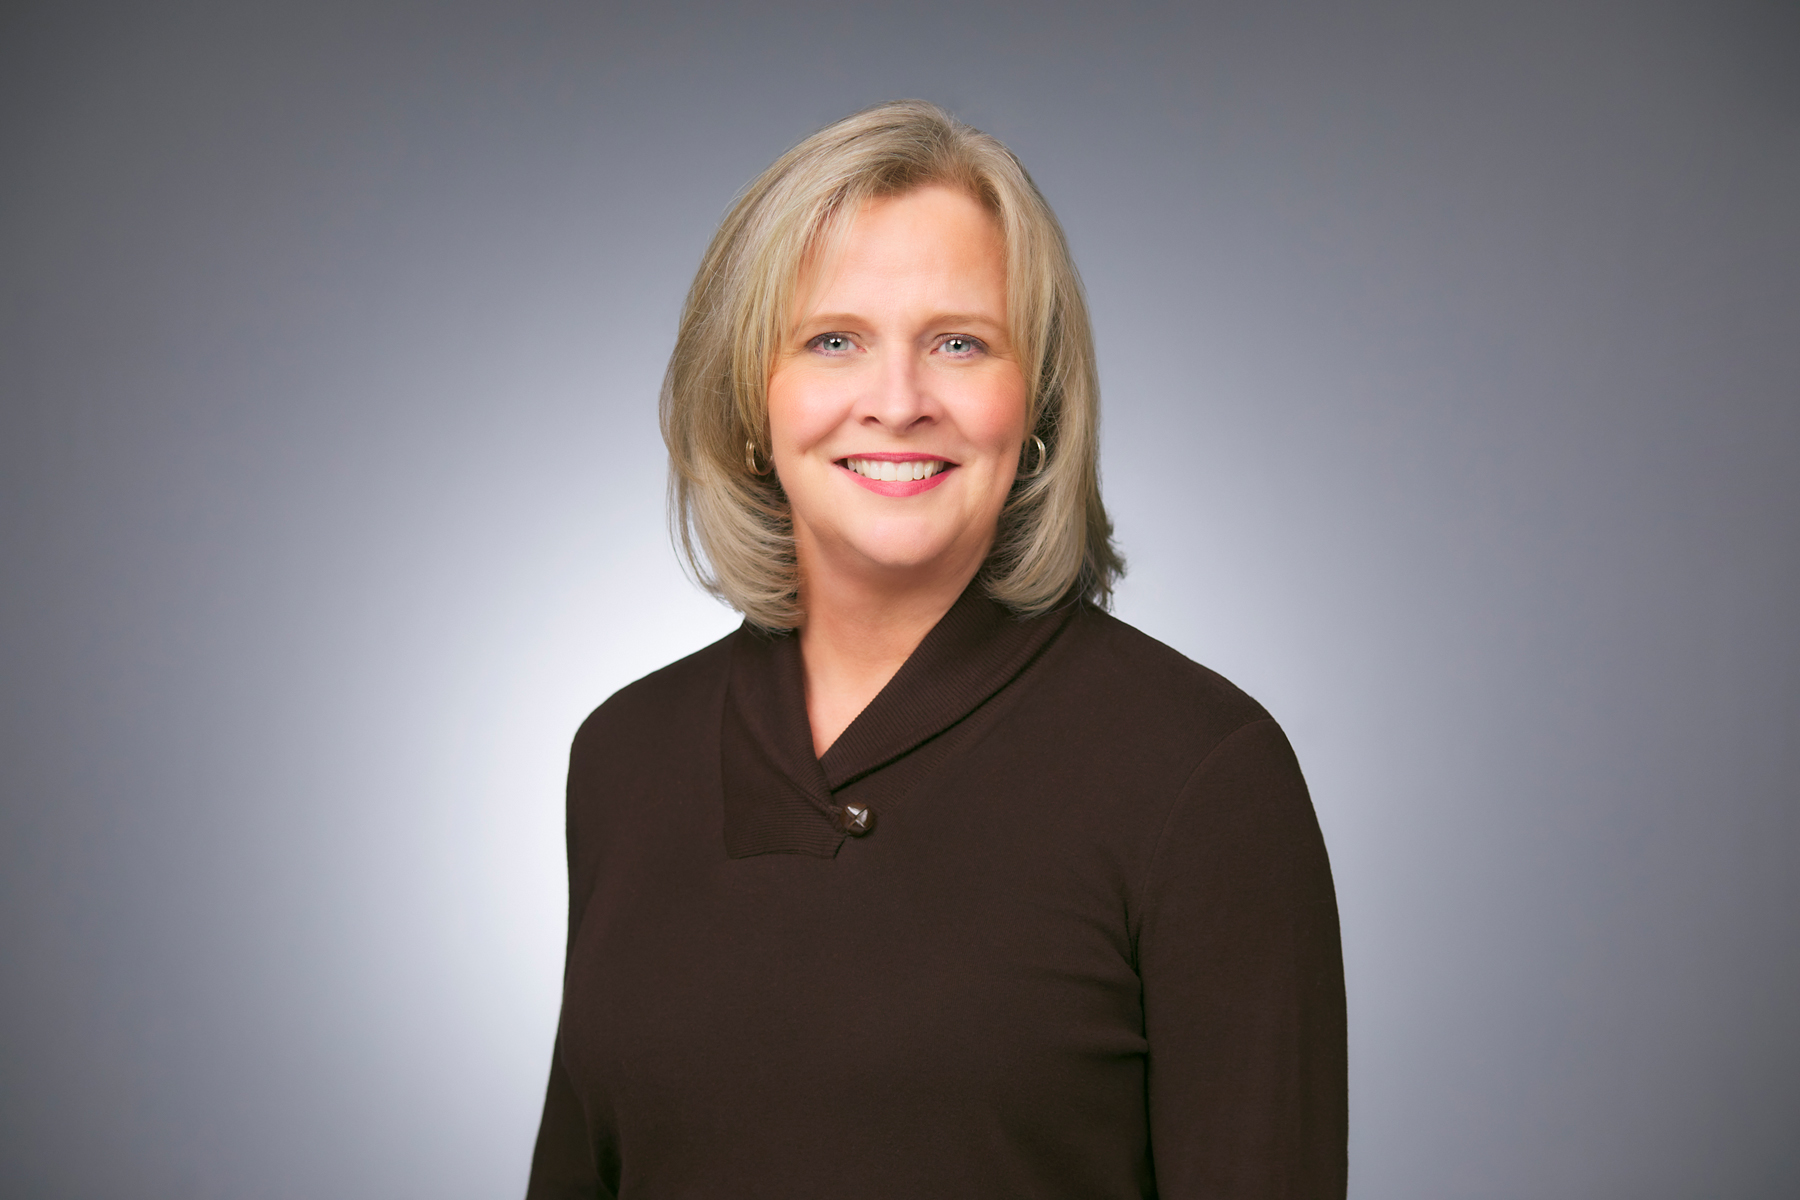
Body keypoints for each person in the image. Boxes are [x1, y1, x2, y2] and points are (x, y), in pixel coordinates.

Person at [526, 100, 1346, 1199]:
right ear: (750, 398)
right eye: (834, 340)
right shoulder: (626, 756)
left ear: (1035, 401)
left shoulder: (1201, 776)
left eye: (959, 343)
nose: (899, 402)